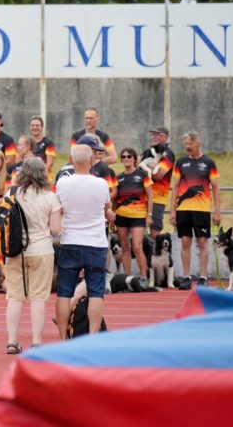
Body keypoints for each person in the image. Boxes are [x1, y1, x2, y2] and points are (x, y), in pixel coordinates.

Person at [3, 158, 62, 353]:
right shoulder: (50, 197)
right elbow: (55, 230)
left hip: (15, 252)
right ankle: (36, 341)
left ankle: (12, 341)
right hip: (42, 250)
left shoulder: (12, 194)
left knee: (15, 297)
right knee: (38, 298)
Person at [55, 145, 113, 340]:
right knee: (96, 292)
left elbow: (59, 209)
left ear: (71, 160)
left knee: (64, 292)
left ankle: (64, 338)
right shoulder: (101, 184)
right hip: (96, 243)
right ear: (91, 161)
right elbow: (107, 209)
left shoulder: (62, 184)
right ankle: (93, 337)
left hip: (71, 241)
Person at [169, 131, 221, 283]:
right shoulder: (180, 162)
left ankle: (203, 276)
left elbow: (216, 188)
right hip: (183, 210)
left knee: (202, 242)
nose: (187, 147)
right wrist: (172, 211)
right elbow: (176, 187)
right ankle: (186, 276)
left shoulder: (209, 163)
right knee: (185, 241)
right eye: (185, 144)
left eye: (190, 144)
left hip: (202, 210)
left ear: (198, 143)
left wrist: (217, 211)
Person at [114, 148, 152, 278]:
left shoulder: (143, 175)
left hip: (138, 216)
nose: (126, 159)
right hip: (121, 216)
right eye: (123, 157)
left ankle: (143, 277)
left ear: (134, 158)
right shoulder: (118, 178)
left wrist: (149, 215)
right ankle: (127, 278)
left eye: (129, 156)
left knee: (137, 247)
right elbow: (115, 198)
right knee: (125, 247)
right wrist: (113, 216)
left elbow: (150, 196)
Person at [142, 127, 176, 239]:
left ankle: (155, 254)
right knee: (138, 230)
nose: (155, 137)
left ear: (166, 137)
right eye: (153, 134)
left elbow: (158, 175)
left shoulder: (168, 153)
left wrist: (145, 166)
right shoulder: (148, 151)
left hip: (157, 198)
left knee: (155, 231)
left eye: (158, 134)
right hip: (142, 197)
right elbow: (136, 166)